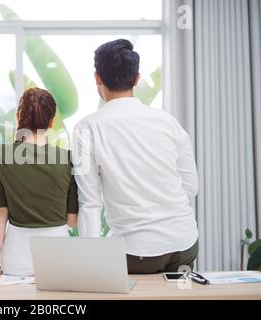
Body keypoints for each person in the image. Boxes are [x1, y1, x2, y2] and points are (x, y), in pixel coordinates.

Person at [72, 39, 199, 274]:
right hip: (184, 244)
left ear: (97, 78)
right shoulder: (168, 122)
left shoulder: (86, 128)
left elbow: (90, 202)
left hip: (133, 252)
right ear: (137, 79)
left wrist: (89, 263)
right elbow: (191, 187)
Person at [0, 87, 79, 277]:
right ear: (51, 121)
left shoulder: (1, 155)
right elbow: (72, 220)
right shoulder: (67, 159)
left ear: (20, 118)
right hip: (59, 257)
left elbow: (0, 214)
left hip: (16, 257)